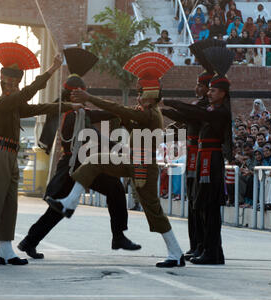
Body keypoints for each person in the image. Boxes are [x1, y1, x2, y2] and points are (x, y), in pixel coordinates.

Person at [48, 52, 186, 268]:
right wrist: (121, 118)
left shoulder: (150, 113)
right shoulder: (147, 112)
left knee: (153, 210)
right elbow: (127, 117)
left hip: (143, 166)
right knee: (94, 160)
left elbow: (120, 110)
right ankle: (70, 202)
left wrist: (90, 99)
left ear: (151, 95)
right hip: (132, 160)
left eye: (141, 94)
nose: (138, 97)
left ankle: (176, 253)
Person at [17, 48, 140, 259]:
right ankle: (29, 241)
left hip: (83, 166)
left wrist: (125, 111)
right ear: (75, 93)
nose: (86, 96)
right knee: (63, 208)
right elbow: (91, 135)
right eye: (84, 92)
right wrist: (115, 145)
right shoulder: (72, 114)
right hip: (74, 167)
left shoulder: (79, 112)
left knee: (111, 190)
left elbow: (103, 112)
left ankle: (118, 235)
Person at [0, 44, 72, 266]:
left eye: (16, 82)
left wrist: (68, 105)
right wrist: (52, 69)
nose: (15, 86)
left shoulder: (15, 105)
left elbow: (39, 108)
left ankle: (6, 249)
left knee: (9, 204)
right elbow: (29, 93)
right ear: (4, 83)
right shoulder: (3, 102)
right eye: (11, 82)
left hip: (10, 156)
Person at [162, 46, 234, 265]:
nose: (209, 93)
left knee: (209, 208)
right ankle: (205, 249)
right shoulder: (211, 110)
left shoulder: (219, 111)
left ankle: (212, 251)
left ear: (222, 93)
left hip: (211, 161)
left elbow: (195, 114)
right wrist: (163, 108)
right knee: (202, 206)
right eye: (209, 89)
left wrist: (170, 102)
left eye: (213, 90)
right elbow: (192, 116)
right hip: (204, 159)